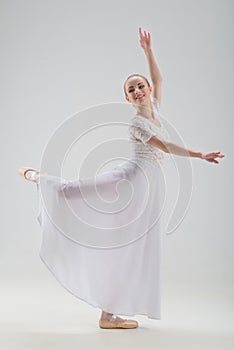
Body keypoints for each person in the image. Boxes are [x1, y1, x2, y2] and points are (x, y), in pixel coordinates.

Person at [18, 27, 225, 329]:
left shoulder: (154, 107)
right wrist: (198, 154)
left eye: (141, 85)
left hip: (147, 190)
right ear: (127, 98)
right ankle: (40, 179)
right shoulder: (138, 124)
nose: (139, 90)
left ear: (148, 91)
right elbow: (164, 146)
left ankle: (107, 315)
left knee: (126, 248)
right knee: (77, 192)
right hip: (130, 184)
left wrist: (148, 50)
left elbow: (160, 79)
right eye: (132, 89)